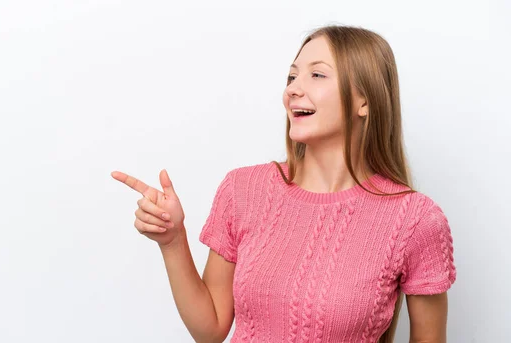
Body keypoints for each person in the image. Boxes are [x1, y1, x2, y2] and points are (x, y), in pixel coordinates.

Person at [111, 25, 456, 343]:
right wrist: (172, 241)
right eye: (291, 76)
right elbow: (211, 328)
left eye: (316, 74)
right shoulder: (242, 190)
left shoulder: (415, 220)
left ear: (363, 101)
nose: (293, 89)